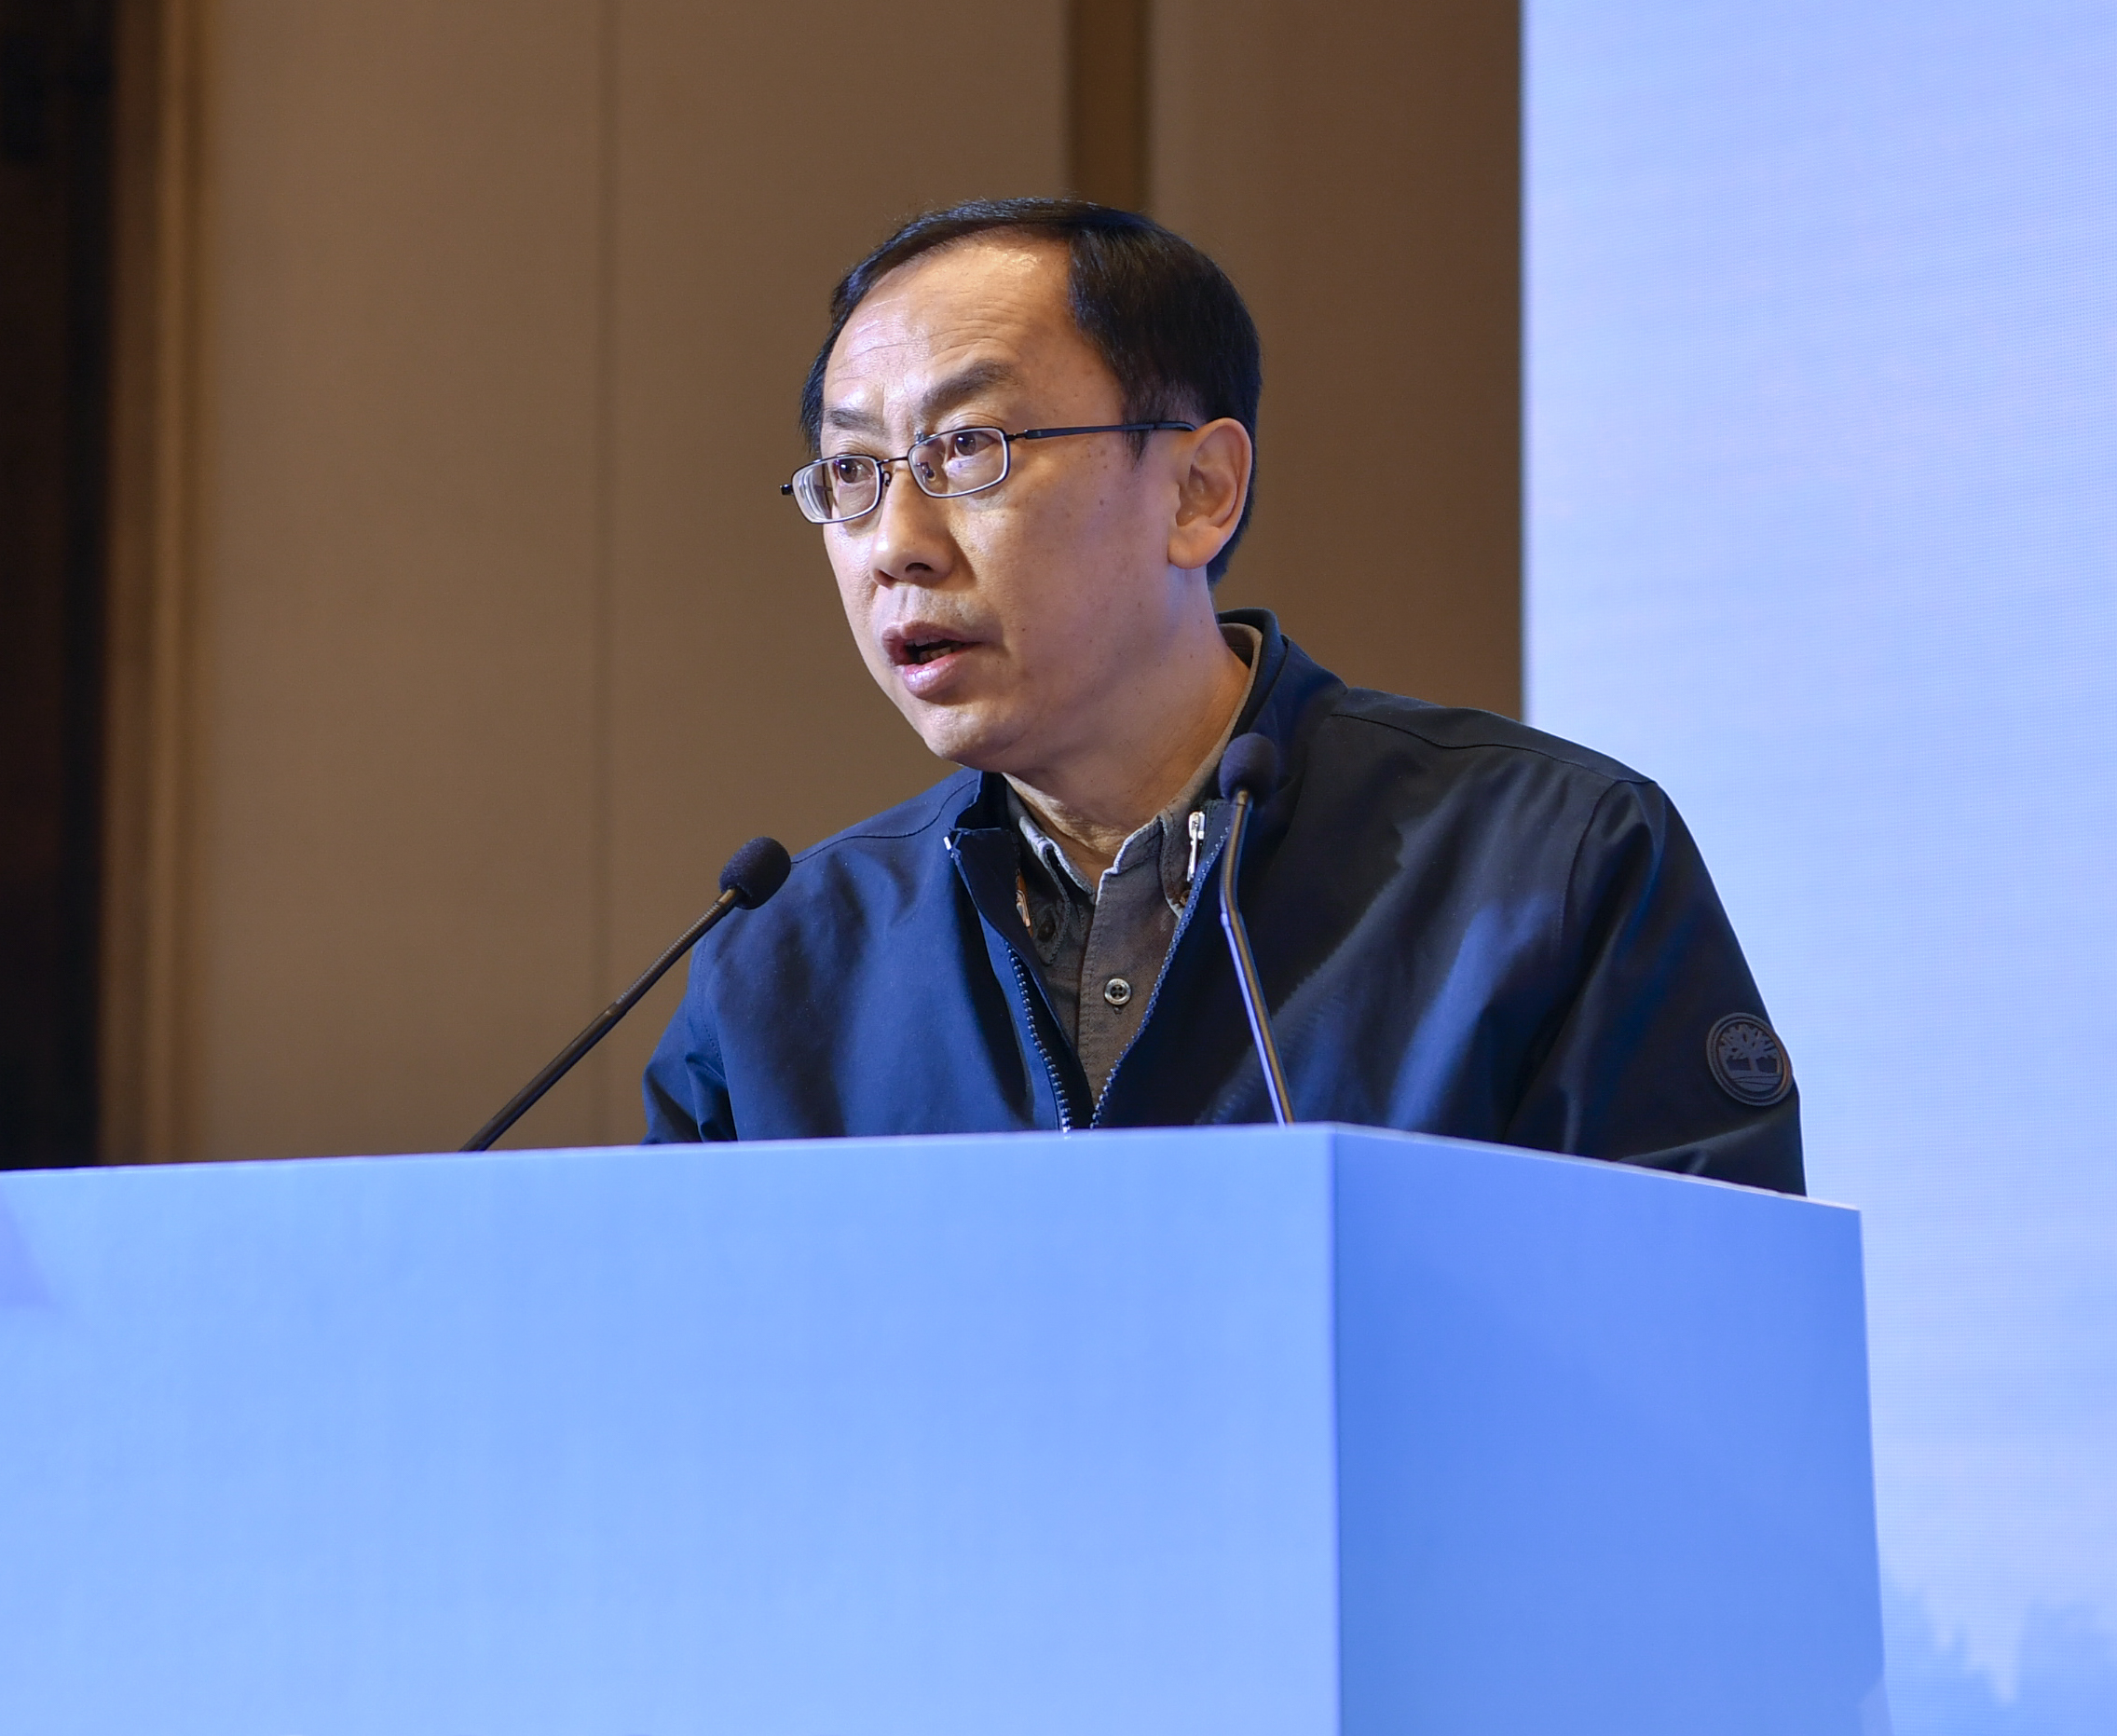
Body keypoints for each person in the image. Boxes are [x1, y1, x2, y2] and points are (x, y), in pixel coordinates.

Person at [640, 198, 1804, 1193]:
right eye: (851, 471)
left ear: (1199, 490)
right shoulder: (781, 967)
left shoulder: (1548, 866)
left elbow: (1698, 1334)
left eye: (970, 448)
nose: (896, 541)